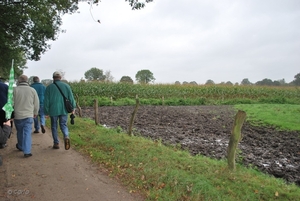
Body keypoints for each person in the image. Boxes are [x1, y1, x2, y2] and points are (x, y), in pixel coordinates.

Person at [44, 71, 76, 150]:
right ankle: (66, 136)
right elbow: (71, 98)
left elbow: (46, 101)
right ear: (60, 78)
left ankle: (56, 143)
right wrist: (73, 108)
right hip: (64, 109)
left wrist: (46, 112)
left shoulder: (49, 87)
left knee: (54, 126)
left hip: (53, 110)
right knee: (63, 124)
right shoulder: (66, 86)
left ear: (53, 78)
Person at [14, 75, 39, 157]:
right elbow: (36, 103)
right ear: (27, 81)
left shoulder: (15, 90)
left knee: (20, 131)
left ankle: (21, 146)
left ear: (19, 81)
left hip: (18, 115)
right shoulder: (32, 90)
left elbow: (10, 103)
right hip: (28, 115)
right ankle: (27, 151)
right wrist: (35, 112)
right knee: (27, 132)